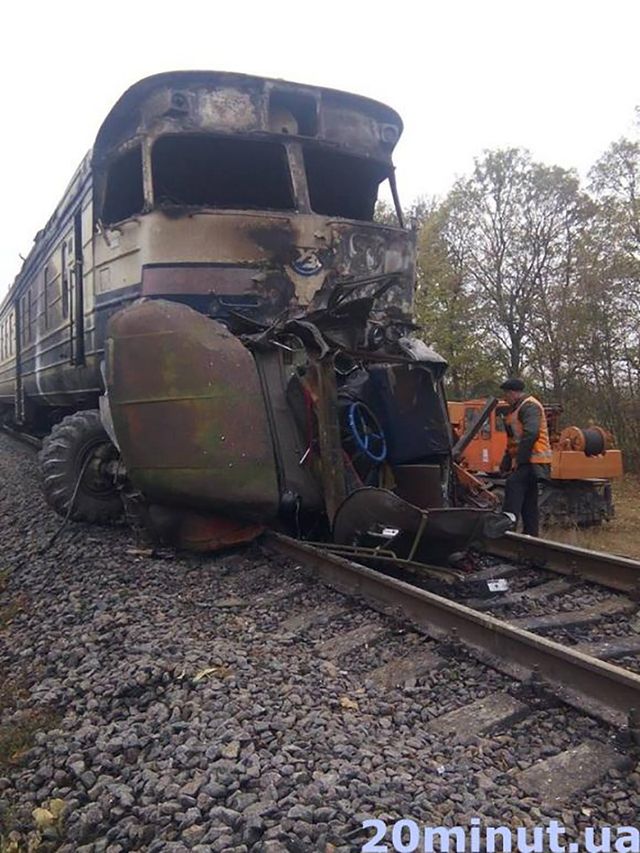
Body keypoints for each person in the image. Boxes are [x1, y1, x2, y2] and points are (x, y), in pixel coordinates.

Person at [499, 378, 552, 537]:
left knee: (513, 485)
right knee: (529, 499)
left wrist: (520, 460)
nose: (505, 398)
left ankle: (507, 531)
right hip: (529, 462)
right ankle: (531, 535)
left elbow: (531, 433)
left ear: (513, 393)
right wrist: (506, 461)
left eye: (506, 394)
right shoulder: (515, 410)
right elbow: (513, 441)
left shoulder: (529, 406)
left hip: (533, 461)